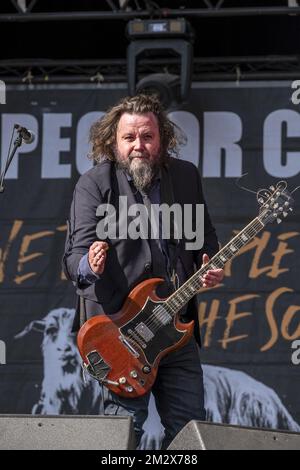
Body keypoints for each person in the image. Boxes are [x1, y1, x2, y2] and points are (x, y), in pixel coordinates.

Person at [63, 94, 224, 449]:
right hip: (121, 336)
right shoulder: (94, 183)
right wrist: (91, 263)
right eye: (129, 138)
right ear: (112, 142)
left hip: (175, 329)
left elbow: (205, 238)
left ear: (162, 139)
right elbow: (73, 262)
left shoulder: (184, 177)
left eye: (148, 137)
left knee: (190, 435)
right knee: (122, 437)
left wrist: (210, 264)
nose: (139, 146)